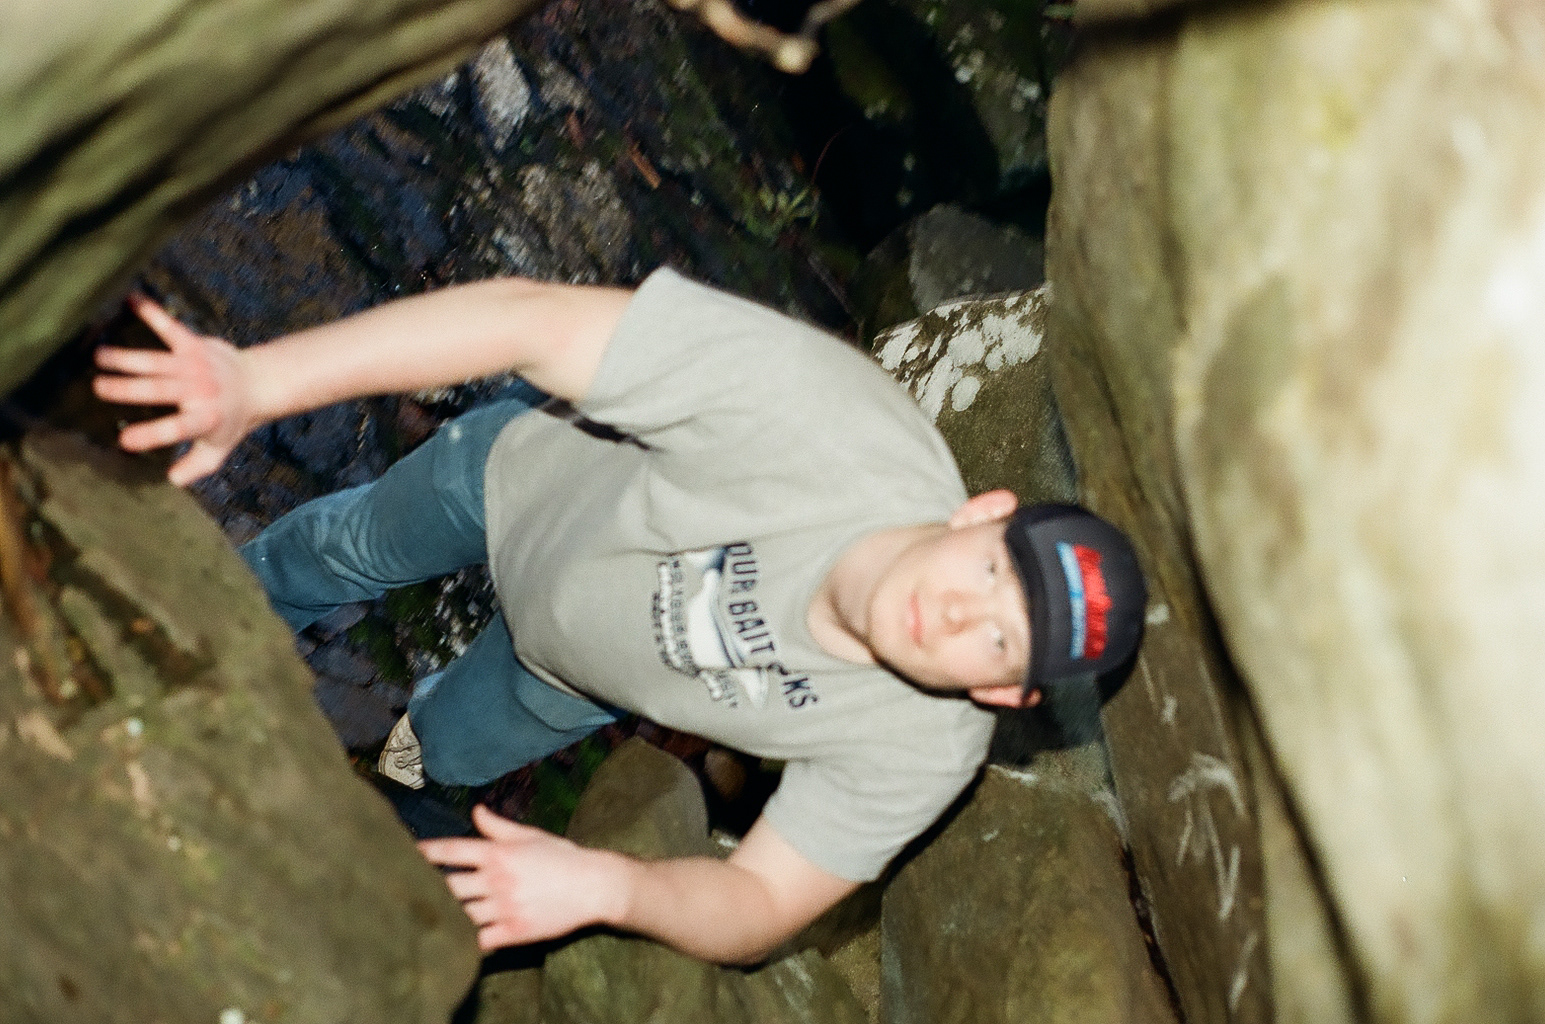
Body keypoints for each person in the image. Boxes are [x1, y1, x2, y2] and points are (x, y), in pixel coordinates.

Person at [93, 268, 1146, 965]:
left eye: (998, 640)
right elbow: (526, 317)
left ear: (999, 691)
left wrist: (604, 886)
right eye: (991, 572)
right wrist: (255, 379)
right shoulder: (819, 415)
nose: (955, 612)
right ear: (982, 511)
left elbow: (760, 906)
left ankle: (388, 761)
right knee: (340, 549)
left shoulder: (921, 749)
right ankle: (197, 608)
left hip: (569, 681)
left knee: (443, 750)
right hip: (515, 482)